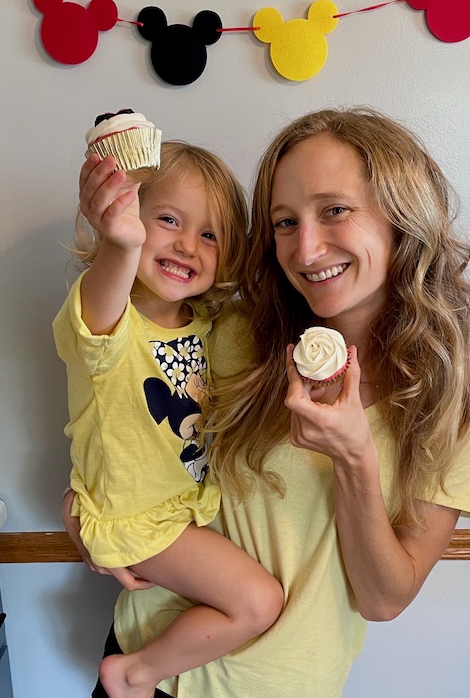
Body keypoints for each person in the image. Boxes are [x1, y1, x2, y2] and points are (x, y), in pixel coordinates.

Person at [63, 107, 470, 698]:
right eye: (285, 222)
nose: (307, 248)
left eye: (335, 210)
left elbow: (383, 600)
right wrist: (79, 508)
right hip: (151, 667)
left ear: (403, 217)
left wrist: (355, 459)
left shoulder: (462, 404)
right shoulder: (234, 335)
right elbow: (117, 402)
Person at [54, 140, 284, 698]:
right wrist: (121, 242)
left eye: (210, 235)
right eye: (169, 220)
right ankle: (134, 673)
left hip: (180, 511)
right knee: (258, 602)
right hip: (141, 518)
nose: (187, 244)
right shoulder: (110, 325)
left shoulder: (205, 325)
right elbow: (102, 305)